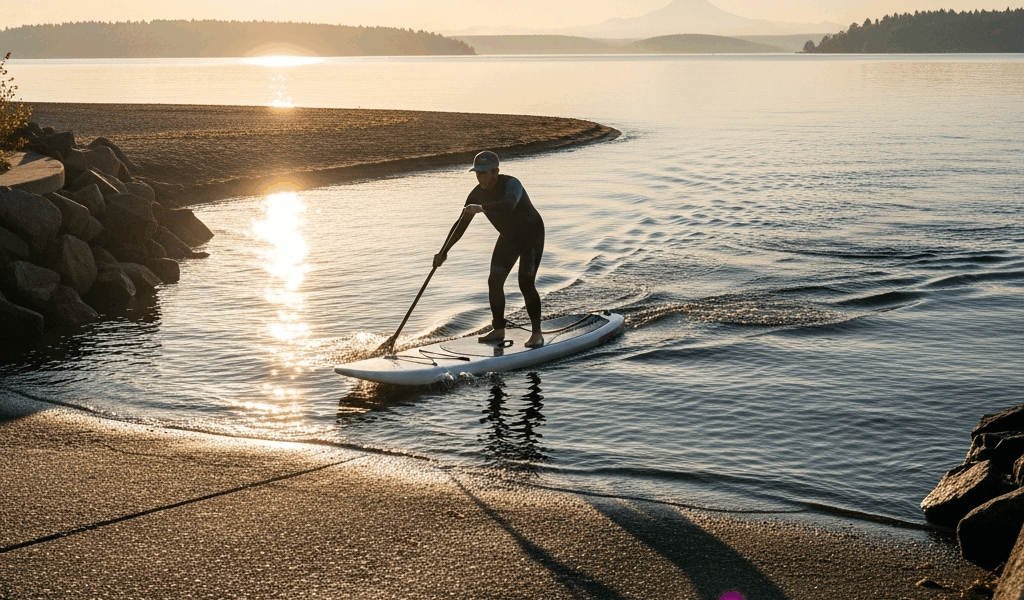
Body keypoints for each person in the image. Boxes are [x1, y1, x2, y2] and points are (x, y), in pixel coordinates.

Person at [433, 151, 546, 348]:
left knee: (525, 282)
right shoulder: (476, 194)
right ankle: (499, 329)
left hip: (531, 235)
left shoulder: (512, 184)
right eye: (478, 173)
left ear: (496, 172)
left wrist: (482, 208)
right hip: (509, 238)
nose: (481, 178)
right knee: (494, 281)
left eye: (485, 173)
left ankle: (537, 334)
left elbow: (508, 205)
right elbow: (460, 225)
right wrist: (443, 251)